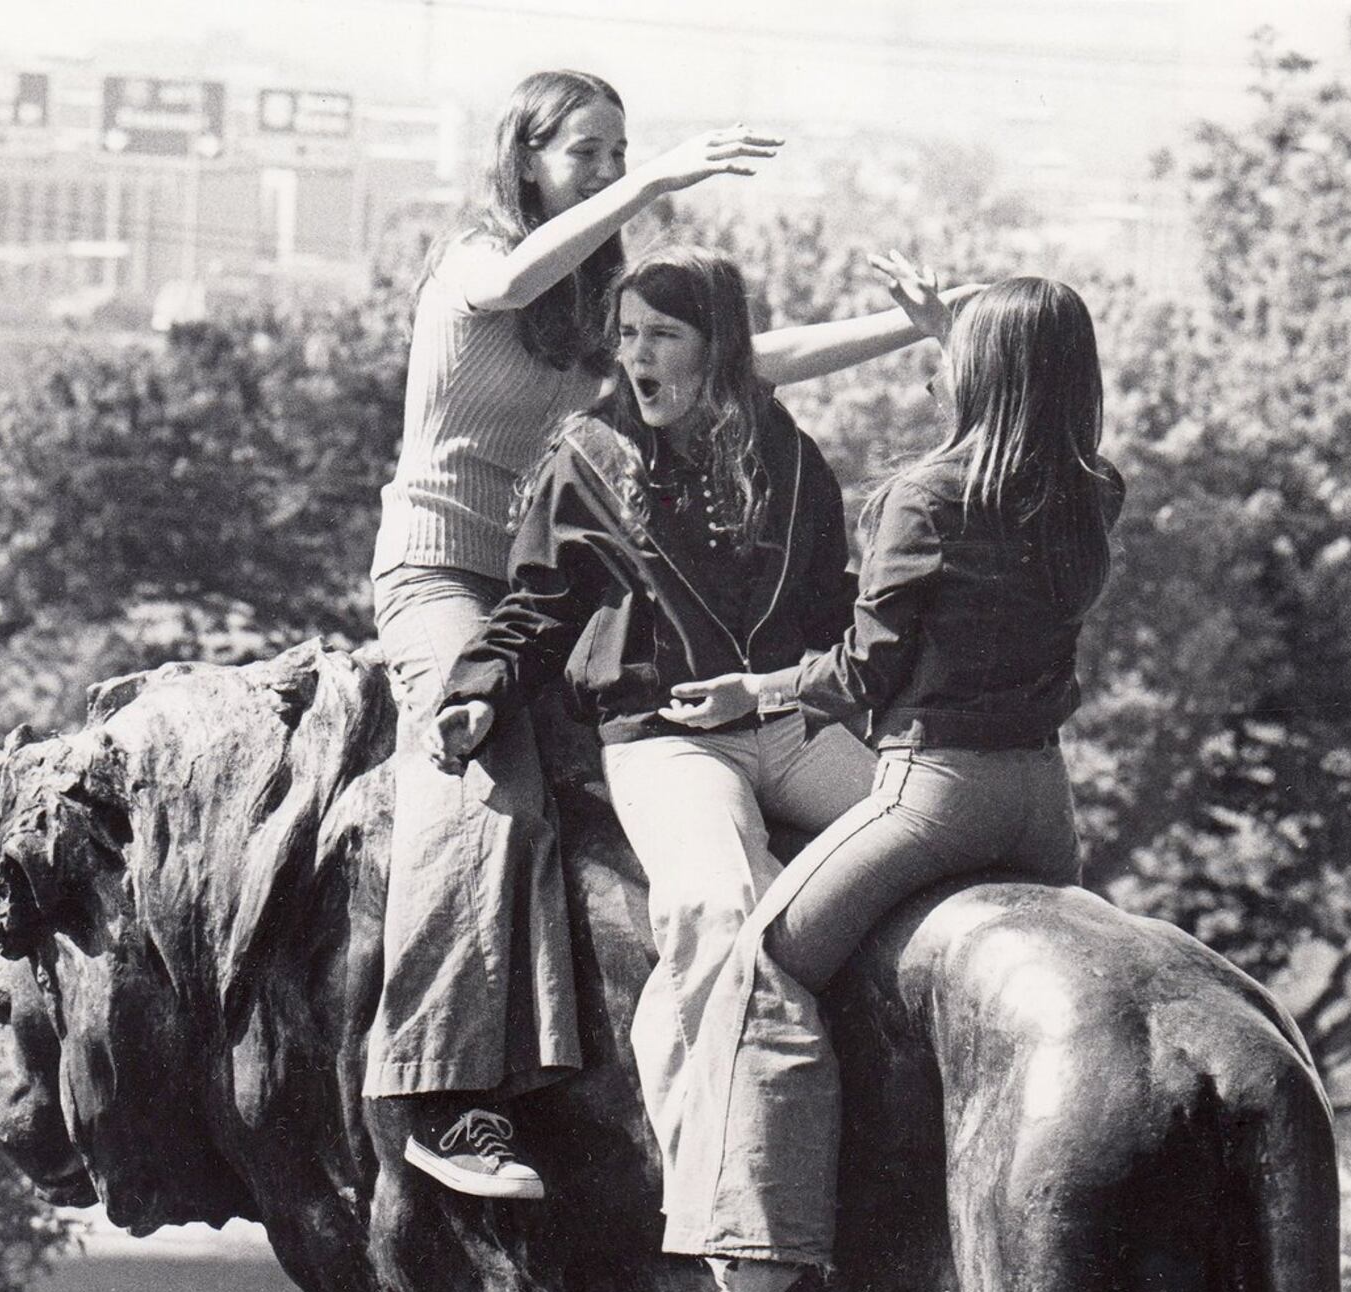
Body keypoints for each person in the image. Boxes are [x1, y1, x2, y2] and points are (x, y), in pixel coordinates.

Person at [368, 66, 964, 1203]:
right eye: (584, 151)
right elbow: (509, 277)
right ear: (525, 155)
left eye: (616, 149)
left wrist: (904, 327)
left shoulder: (587, 314)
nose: (602, 170)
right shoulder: (476, 265)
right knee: (480, 781)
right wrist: (656, 177)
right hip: (449, 574)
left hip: (552, 583)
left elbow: (742, 358)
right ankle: (442, 1094)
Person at [434, 244, 949, 1289]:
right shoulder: (584, 455)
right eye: (624, 337)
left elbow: (828, 613)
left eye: (659, 336)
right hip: (666, 738)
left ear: (718, 349)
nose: (633, 357)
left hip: (780, 720)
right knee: (721, 910)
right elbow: (538, 602)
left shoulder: (788, 456)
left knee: (940, 848)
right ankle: (738, 1230)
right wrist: (475, 689)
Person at [656, 275, 1125, 1292]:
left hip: (936, 795)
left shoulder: (927, 493)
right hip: (1044, 809)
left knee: (758, 969)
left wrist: (752, 697)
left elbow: (866, 672)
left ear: (976, 368)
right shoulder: (1092, 491)